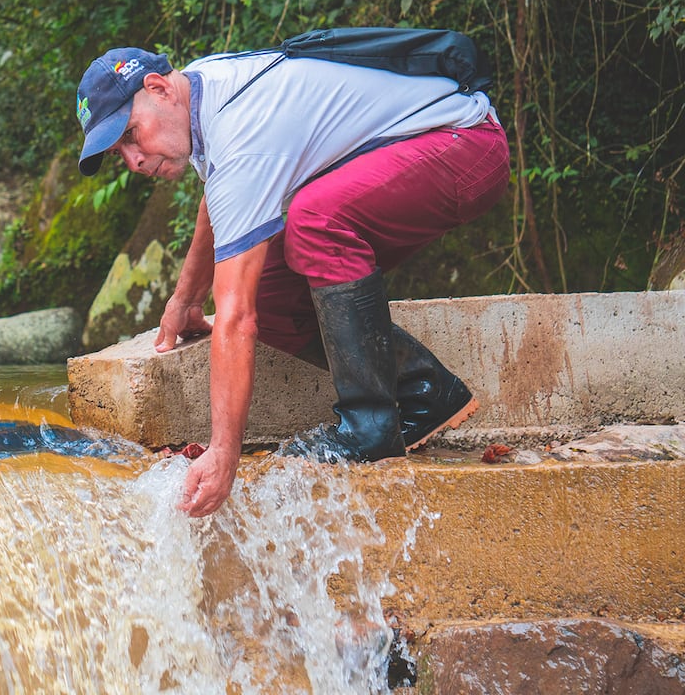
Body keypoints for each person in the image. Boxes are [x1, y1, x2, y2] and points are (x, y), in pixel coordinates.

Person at [74, 42, 510, 517]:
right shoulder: (198, 91)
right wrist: (186, 299)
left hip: (464, 146)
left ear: (158, 89)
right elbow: (216, 200)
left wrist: (224, 453)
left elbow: (237, 319)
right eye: (120, 152)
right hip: (425, 153)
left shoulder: (240, 130)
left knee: (314, 220)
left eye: (131, 134)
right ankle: (424, 390)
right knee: (270, 289)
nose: (133, 160)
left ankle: (370, 427)